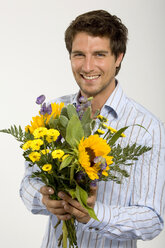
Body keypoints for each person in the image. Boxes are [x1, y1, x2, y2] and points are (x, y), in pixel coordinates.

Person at [20, 10, 165, 247]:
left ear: (118, 58)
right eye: (79, 54)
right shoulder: (53, 113)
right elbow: (27, 183)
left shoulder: (147, 127)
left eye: (99, 54)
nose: (88, 66)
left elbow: (152, 220)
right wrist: (43, 198)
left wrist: (95, 215)